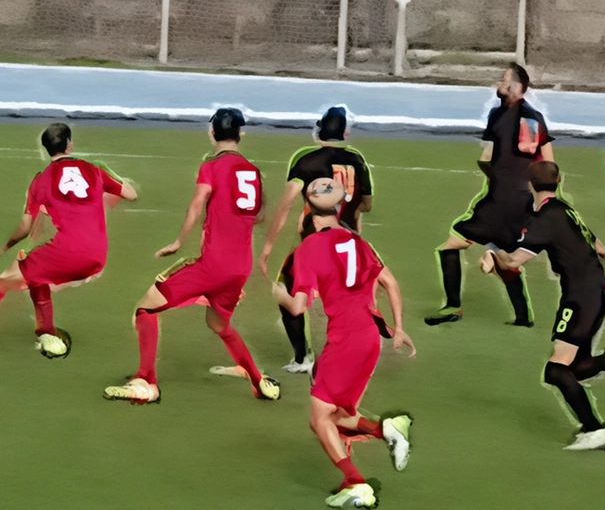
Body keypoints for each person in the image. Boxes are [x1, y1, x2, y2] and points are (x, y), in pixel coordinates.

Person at [103, 109, 280, 405]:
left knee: (145, 310)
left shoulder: (211, 165)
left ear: (212, 132)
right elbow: (259, 215)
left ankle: (147, 381)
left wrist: (178, 241)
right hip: (239, 268)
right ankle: (258, 380)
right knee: (219, 325)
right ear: (241, 134)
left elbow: (197, 204)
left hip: (212, 266)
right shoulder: (252, 170)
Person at [483, 162, 605, 451]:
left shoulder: (545, 217)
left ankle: (595, 429)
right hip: (597, 294)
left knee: (555, 371)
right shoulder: (566, 209)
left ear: (531, 186)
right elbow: (601, 250)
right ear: (558, 181)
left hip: (580, 298)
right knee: (576, 367)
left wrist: (492, 253)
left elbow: (514, 261)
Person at [273, 178, 416, 509]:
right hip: (369, 339)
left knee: (319, 420)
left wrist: (278, 291)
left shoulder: (308, 249)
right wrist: (398, 328)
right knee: (336, 414)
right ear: (338, 210)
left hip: (344, 341)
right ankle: (386, 429)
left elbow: (298, 307)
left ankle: (357, 483)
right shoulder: (359, 242)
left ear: (308, 211)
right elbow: (390, 283)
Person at [0, 123, 137, 357]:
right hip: (97, 255)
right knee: (36, 275)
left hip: (66, 252)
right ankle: (46, 332)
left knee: (4, 280)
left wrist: (4, 248)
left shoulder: (41, 181)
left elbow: (25, 226)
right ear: (70, 145)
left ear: (45, 150)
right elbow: (130, 194)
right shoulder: (93, 169)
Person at [425, 63, 554, 327]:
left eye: (504, 80)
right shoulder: (532, 117)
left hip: (502, 199)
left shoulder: (500, 116)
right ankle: (522, 316)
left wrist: (494, 177)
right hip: (517, 198)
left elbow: (488, 157)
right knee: (505, 259)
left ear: (516, 87)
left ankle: (453, 307)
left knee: (450, 246)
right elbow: (548, 163)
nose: (499, 83)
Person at [258, 105, 374, 375]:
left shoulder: (306, 160)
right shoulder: (357, 160)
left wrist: (266, 249)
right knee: (349, 300)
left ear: (319, 128)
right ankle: (353, 355)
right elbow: (366, 205)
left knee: (288, 293)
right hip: (349, 242)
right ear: (345, 132)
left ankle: (302, 358)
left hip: (315, 242)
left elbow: (286, 205)